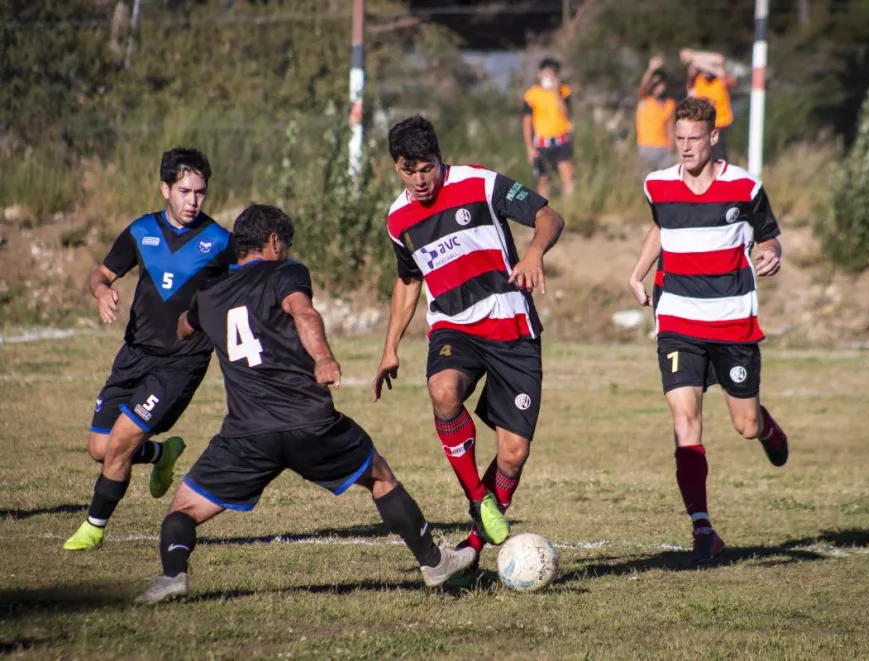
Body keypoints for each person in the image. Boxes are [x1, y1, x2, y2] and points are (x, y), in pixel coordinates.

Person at [135, 204, 476, 603]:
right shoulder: (286, 271)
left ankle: (173, 575)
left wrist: (196, 315)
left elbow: (183, 327)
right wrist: (323, 358)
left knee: (183, 510)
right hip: (308, 421)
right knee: (380, 477)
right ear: (274, 241)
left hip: (246, 435)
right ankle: (435, 563)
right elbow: (304, 312)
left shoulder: (208, 294)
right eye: (287, 244)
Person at [372, 116, 565, 572]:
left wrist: (535, 250)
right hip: (453, 326)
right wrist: (390, 348)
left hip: (511, 326)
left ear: (441, 159)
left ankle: (473, 546)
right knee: (442, 391)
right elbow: (408, 281)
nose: (419, 180)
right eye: (407, 170)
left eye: (427, 168)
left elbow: (548, 216)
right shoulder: (398, 220)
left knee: (514, 454)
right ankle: (479, 500)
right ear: (395, 169)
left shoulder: (481, 184)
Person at [634, 97, 789, 565]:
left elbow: (769, 234)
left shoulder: (744, 186)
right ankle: (703, 529)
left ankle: (766, 427)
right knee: (685, 421)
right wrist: (637, 272)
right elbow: (661, 228)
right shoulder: (656, 184)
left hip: (732, 324)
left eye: (693, 139)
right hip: (678, 320)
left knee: (743, 425)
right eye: (678, 139)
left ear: (713, 137)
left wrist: (773, 251)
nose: (684, 148)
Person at [64, 148, 231, 552]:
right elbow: (100, 272)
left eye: (200, 193)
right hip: (134, 354)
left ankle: (93, 528)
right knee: (100, 449)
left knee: (120, 442)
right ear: (165, 189)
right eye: (185, 191)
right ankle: (161, 454)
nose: (193, 201)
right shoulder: (142, 231)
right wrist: (102, 290)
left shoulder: (220, 242)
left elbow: (243, 290)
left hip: (181, 362)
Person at [521, 57, 575, 199]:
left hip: (562, 140)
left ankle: (571, 208)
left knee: (568, 178)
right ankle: (543, 212)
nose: (549, 77)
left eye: (553, 73)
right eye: (546, 73)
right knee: (543, 180)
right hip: (542, 143)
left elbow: (567, 114)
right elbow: (527, 123)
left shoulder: (564, 91)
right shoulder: (532, 94)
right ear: (540, 74)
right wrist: (529, 148)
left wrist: (557, 93)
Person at [681, 49, 735, 162]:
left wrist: (693, 55)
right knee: (703, 155)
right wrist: (693, 60)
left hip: (720, 124)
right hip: (702, 125)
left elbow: (720, 59)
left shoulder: (720, 81)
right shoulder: (697, 81)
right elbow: (691, 70)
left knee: (718, 155)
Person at [636, 56, 676, 173]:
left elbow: (670, 126)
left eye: (660, 83)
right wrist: (651, 69)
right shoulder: (644, 101)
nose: (658, 87)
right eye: (655, 83)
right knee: (647, 183)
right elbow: (643, 86)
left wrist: (671, 145)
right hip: (646, 147)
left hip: (664, 148)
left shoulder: (670, 104)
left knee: (665, 183)